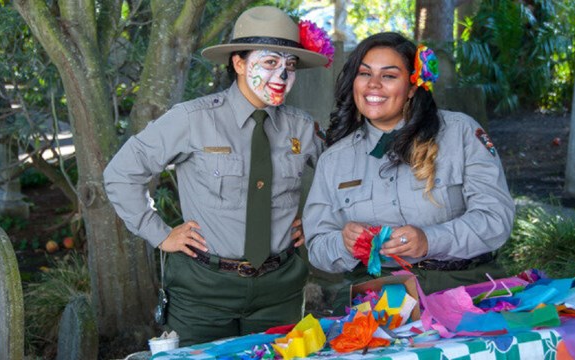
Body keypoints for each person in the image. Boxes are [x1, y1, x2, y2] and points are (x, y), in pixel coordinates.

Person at [103, 6, 333, 345]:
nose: (282, 75)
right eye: (270, 62)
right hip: (203, 292)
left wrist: (317, 220)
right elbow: (121, 173)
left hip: (279, 289)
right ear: (239, 64)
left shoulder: (301, 126)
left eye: (290, 65)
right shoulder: (192, 120)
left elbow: (341, 181)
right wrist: (160, 234)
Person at [302, 32, 515, 314]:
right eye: (364, 73)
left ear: (413, 86)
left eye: (389, 76)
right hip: (380, 296)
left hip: (464, 286)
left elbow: (496, 218)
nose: (373, 85)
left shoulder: (460, 133)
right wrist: (343, 243)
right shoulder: (334, 160)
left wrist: (429, 240)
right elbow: (318, 245)